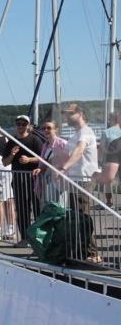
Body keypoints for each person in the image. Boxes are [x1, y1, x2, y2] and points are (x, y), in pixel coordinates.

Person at [60, 103, 101, 261]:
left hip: (83, 179)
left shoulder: (86, 133)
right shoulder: (76, 134)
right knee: (77, 217)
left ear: (81, 114)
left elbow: (79, 151)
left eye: (70, 114)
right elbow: (66, 153)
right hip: (74, 179)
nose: (67, 117)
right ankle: (82, 251)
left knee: (82, 216)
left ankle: (93, 253)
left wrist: (64, 167)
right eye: (66, 114)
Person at [1, 115, 43, 247]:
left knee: (37, 209)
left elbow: (43, 158)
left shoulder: (35, 140)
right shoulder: (11, 142)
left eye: (23, 124)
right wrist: (12, 155)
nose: (20, 126)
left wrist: (29, 160)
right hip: (18, 180)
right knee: (22, 210)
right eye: (18, 124)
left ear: (28, 126)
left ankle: (38, 239)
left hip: (33, 179)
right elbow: (4, 162)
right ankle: (25, 238)